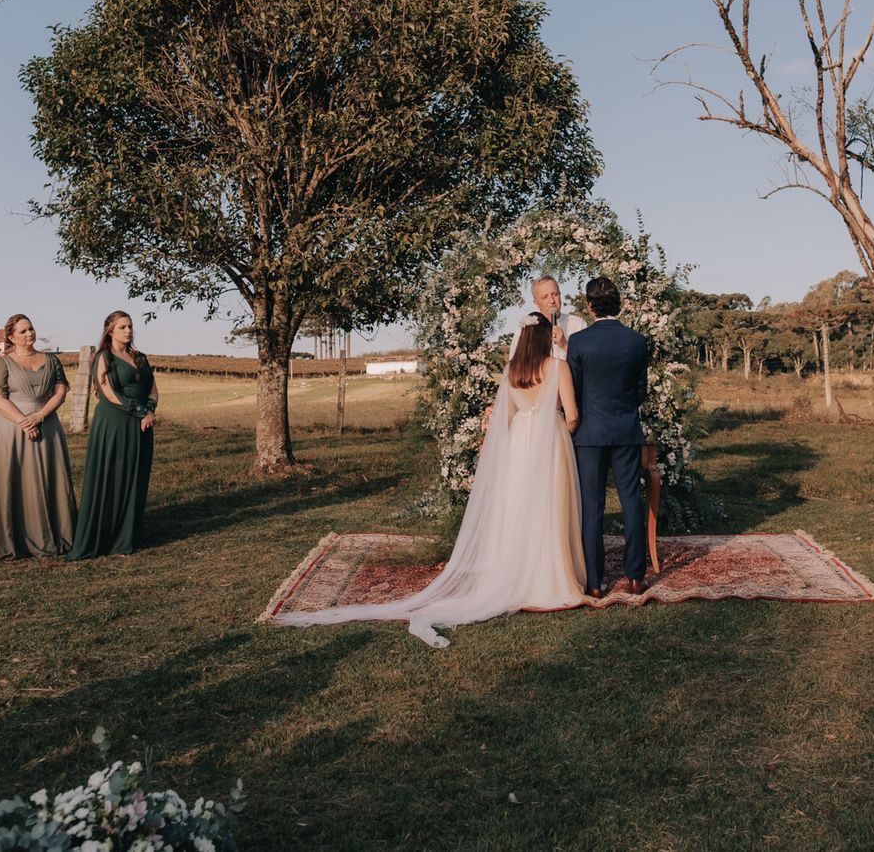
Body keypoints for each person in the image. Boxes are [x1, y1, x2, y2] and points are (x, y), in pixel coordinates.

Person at [276, 311, 586, 646]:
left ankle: (518, 575)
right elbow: (572, 416)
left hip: (520, 442)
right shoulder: (558, 367)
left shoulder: (512, 372)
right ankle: (549, 580)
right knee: (549, 508)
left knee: (520, 510)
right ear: (543, 338)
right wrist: (555, 432)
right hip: (550, 441)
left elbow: (506, 418)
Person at [567, 276, 649, 597]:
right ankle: (635, 577)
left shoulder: (579, 342)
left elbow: (573, 390)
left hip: (589, 434)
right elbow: (640, 391)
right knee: (631, 502)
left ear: (590, 306)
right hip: (626, 429)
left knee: (592, 507)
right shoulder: (637, 341)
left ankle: (594, 582)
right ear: (619, 303)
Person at [0, 314, 76, 560]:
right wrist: (24, 421)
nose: (29, 334)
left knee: (47, 479)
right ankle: (9, 539)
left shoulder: (51, 360)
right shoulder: (4, 363)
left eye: (30, 329)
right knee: (12, 481)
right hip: (11, 429)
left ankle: (50, 533)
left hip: (47, 425)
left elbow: (60, 391)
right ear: (10, 337)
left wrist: (40, 416)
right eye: (22, 331)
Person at [69, 311, 158, 559]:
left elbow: (151, 388)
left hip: (142, 426)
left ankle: (127, 536)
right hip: (114, 423)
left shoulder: (140, 357)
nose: (128, 331)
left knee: (135, 477)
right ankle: (103, 536)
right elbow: (107, 391)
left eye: (130, 326)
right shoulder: (103, 357)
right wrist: (140, 412)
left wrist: (149, 411)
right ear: (110, 330)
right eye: (122, 327)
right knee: (112, 477)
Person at [508, 276, 587, 361]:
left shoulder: (578, 324)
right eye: (545, 297)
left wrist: (565, 346)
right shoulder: (526, 328)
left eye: (555, 294)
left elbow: (588, 362)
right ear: (536, 303)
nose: (552, 301)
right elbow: (513, 365)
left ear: (560, 295)